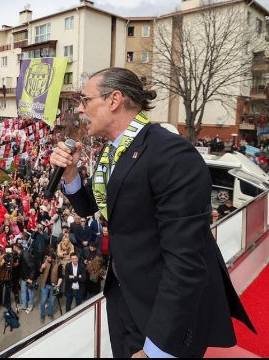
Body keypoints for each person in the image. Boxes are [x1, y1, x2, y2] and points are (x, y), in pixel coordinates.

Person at [50, 67, 255, 357]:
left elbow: (186, 260)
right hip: (123, 298)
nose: (80, 109)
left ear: (114, 100)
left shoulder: (170, 153)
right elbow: (92, 208)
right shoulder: (113, 153)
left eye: (85, 99)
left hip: (160, 313)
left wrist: (158, 348)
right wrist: (70, 173)